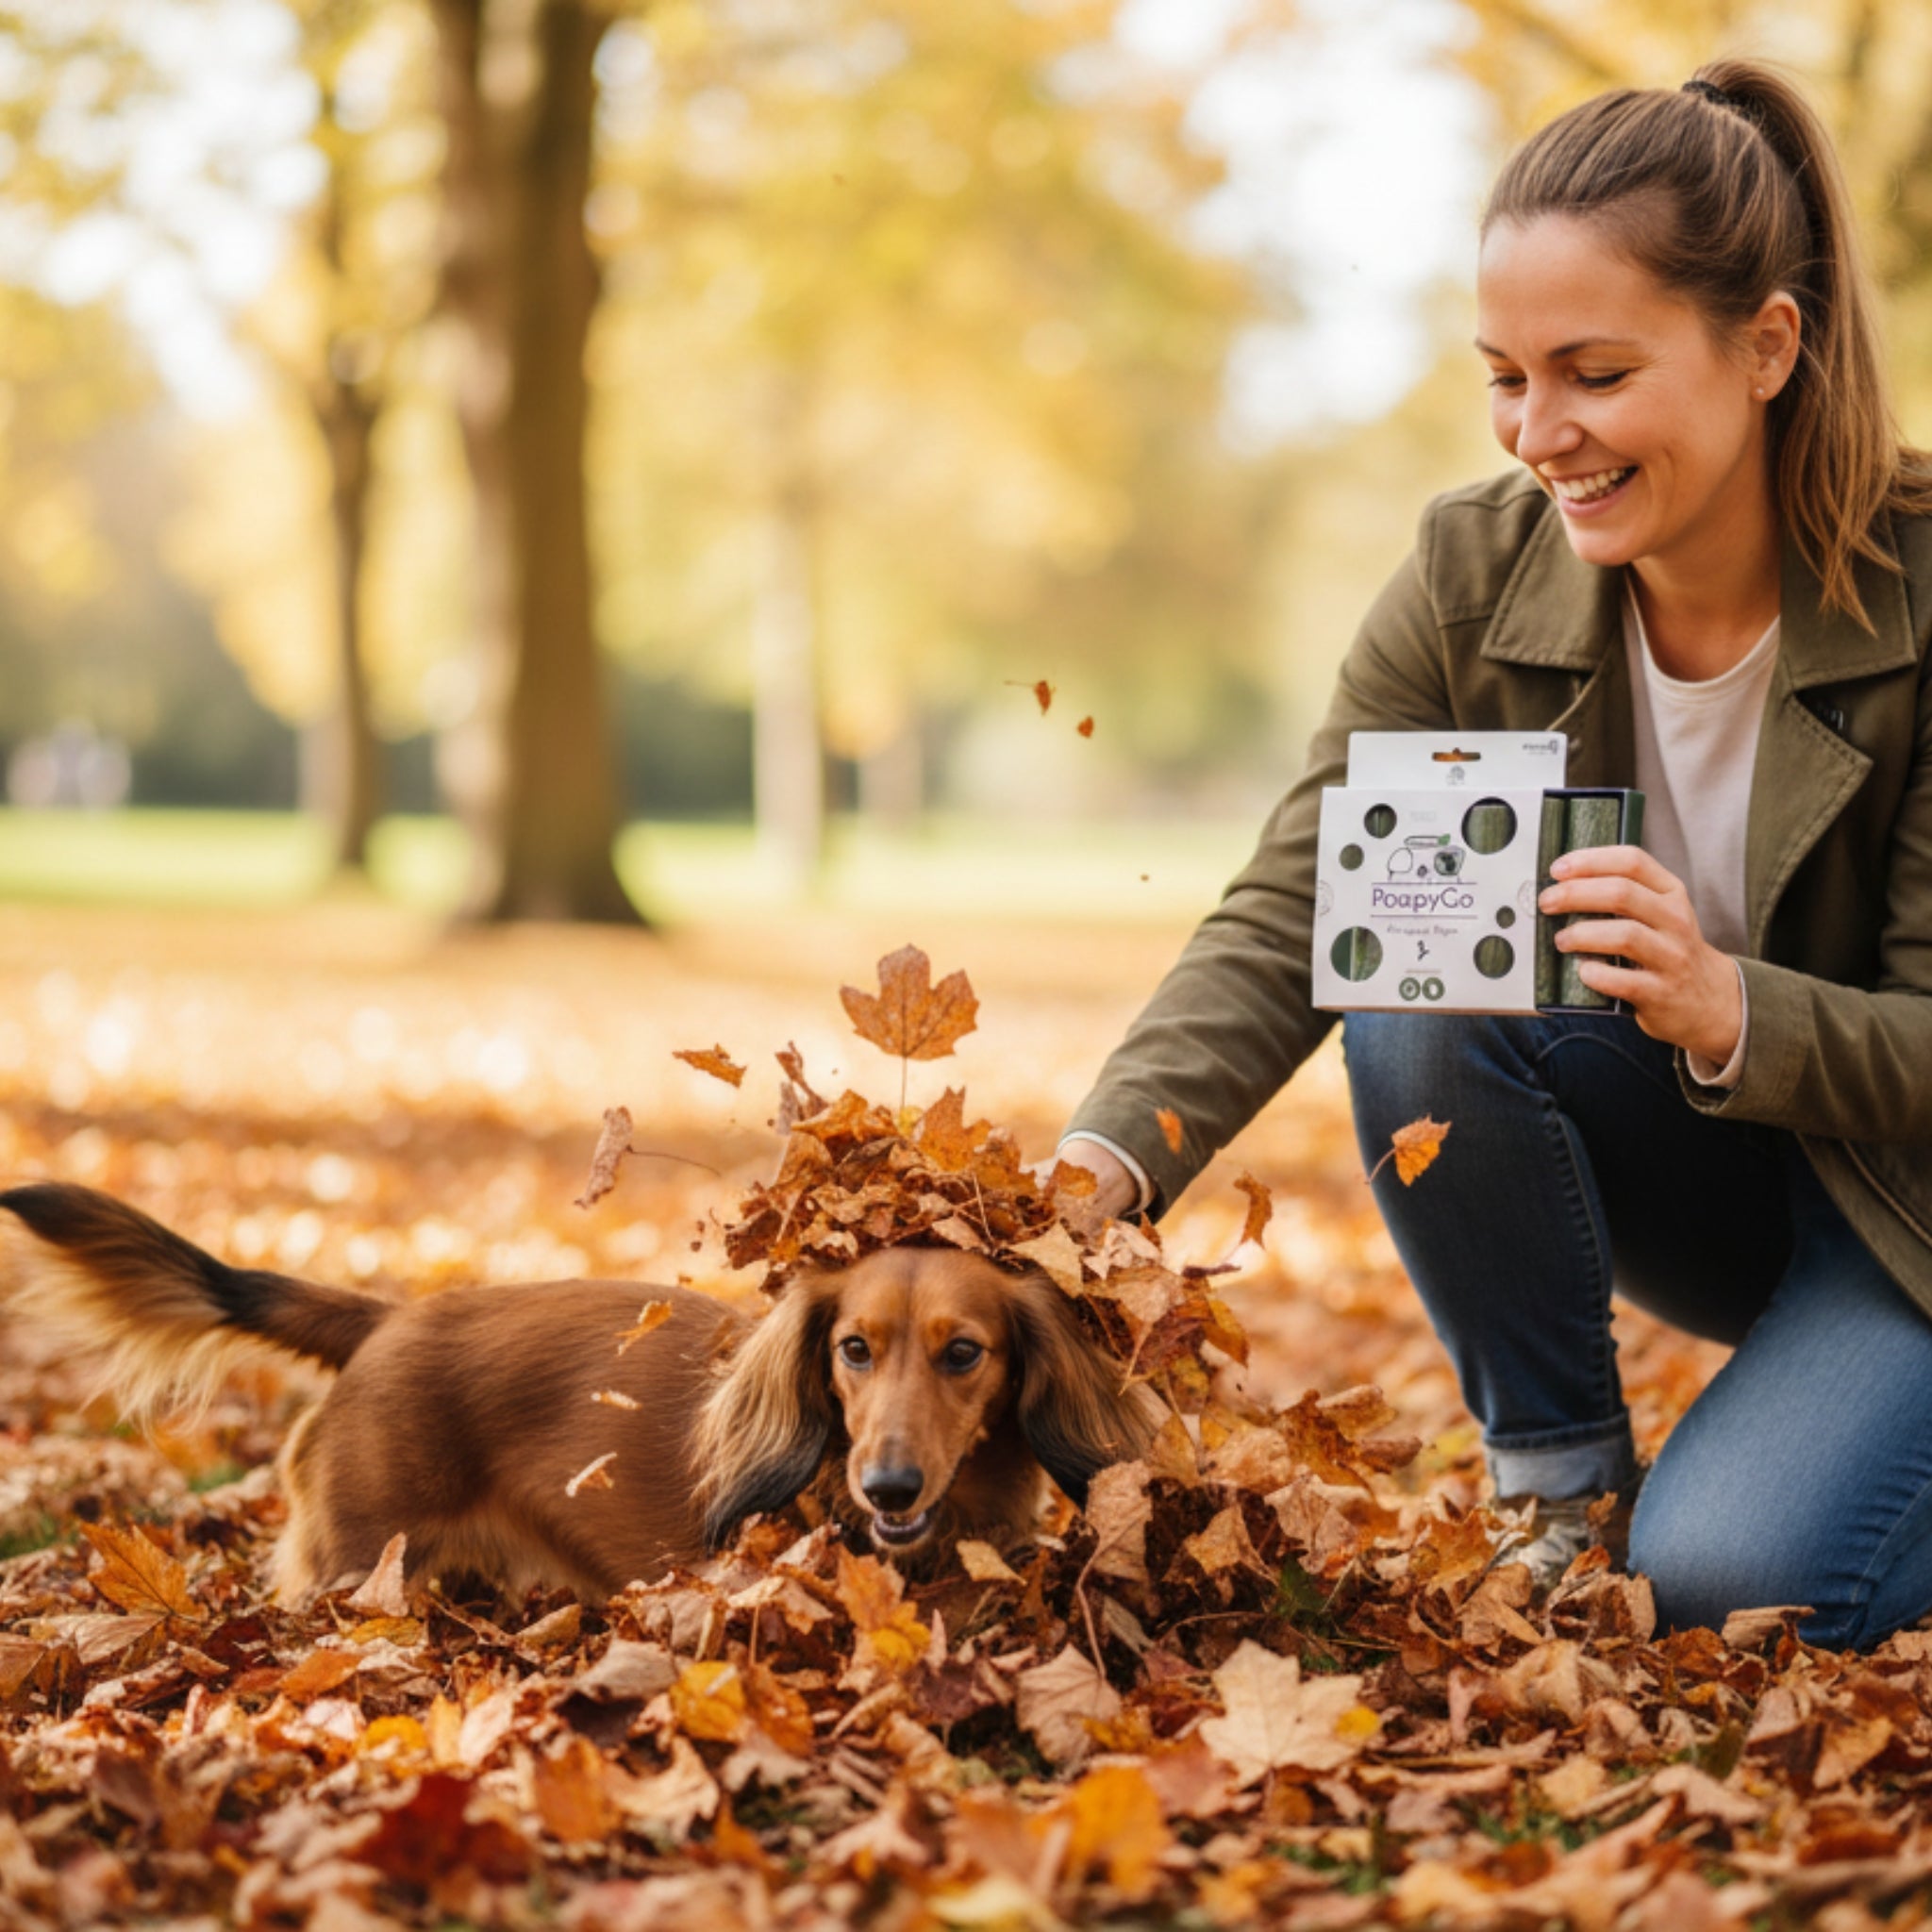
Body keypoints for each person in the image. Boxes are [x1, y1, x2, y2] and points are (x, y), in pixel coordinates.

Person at [1057, 59, 1932, 1650]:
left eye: (1594, 373)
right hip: (1729, 1193)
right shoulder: (1476, 576)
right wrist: (1106, 1168)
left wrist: (1730, 1006)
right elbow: (1302, 899)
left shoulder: (1923, 597)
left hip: (1916, 1216)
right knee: (1412, 968)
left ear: (1769, 346)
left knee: (1743, 1583)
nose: (1544, 434)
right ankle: (1558, 1491)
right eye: (1506, 377)